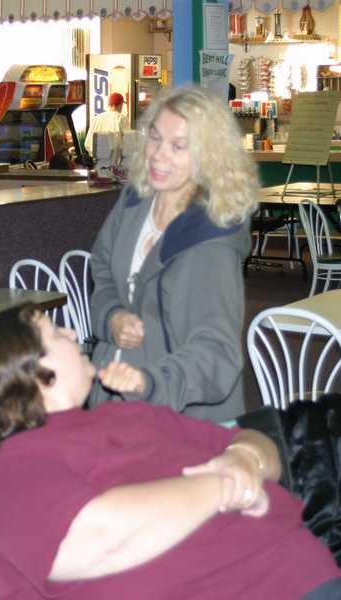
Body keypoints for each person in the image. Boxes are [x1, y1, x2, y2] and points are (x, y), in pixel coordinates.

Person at [0, 304, 341, 600]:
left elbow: (263, 446)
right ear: (33, 370)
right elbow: (98, 538)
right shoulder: (16, 462)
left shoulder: (131, 415)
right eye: (57, 332)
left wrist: (246, 459)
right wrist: (225, 484)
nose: (73, 333)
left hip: (316, 579)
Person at [88, 85, 258, 421]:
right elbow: (102, 269)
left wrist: (150, 383)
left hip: (182, 421)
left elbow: (217, 354)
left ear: (209, 156)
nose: (158, 155)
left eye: (178, 146)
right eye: (155, 138)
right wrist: (111, 317)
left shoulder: (212, 240)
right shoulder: (135, 201)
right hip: (114, 406)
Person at [84, 92, 129, 157]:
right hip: (115, 160)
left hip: (97, 160)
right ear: (120, 105)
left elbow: (87, 144)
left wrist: (96, 156)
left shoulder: (96, 119)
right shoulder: (121, 118)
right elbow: (128, 142)